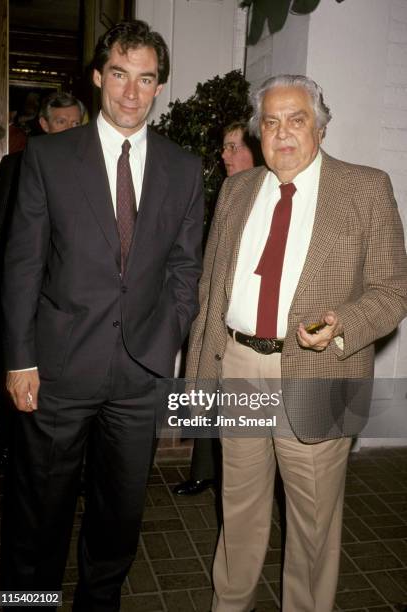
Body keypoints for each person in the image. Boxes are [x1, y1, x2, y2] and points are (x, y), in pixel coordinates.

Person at [1, 20, 203, 611]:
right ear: (97, 77)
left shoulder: (184, 169)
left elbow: (184, 269)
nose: (131, 93)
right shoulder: (47, 157)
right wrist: (19, 360)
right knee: (37, 512)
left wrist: (166, 337)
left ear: (160, 86)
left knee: (118, 517)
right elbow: (21, 269)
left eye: (145, 79)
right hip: (56, 372)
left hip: (139, 377)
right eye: (119, 75)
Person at [185, 74, 407, 611]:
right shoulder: (237, 189)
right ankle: (229, 604)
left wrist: (345, 321)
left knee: (312, 522)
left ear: (321, 128)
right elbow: (212, 288)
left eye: (297, 120)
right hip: (239, 362)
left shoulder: (365, 187)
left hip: (319, 371)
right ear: (259, 133)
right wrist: (199, 375)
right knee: (238, 506)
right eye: (271, 122)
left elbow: (393, 291)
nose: (283, 133)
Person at [0, 92, 87, 471]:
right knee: (17, 370)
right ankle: (9, 445)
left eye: (74, 123)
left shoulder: (95, 171)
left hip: (72, 305)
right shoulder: (15, 165)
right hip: (25, 295)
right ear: (44, 125)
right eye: (59, 122)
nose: (67, 129)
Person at [174, 120, 264, 496]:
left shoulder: (268, 193)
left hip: (249, 324)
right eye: (224, 147)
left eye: (232, 147)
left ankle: (232, 478)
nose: (224, 155)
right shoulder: (228, 190)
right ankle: (205, 470)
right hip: (215, 311)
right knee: (207, 393)